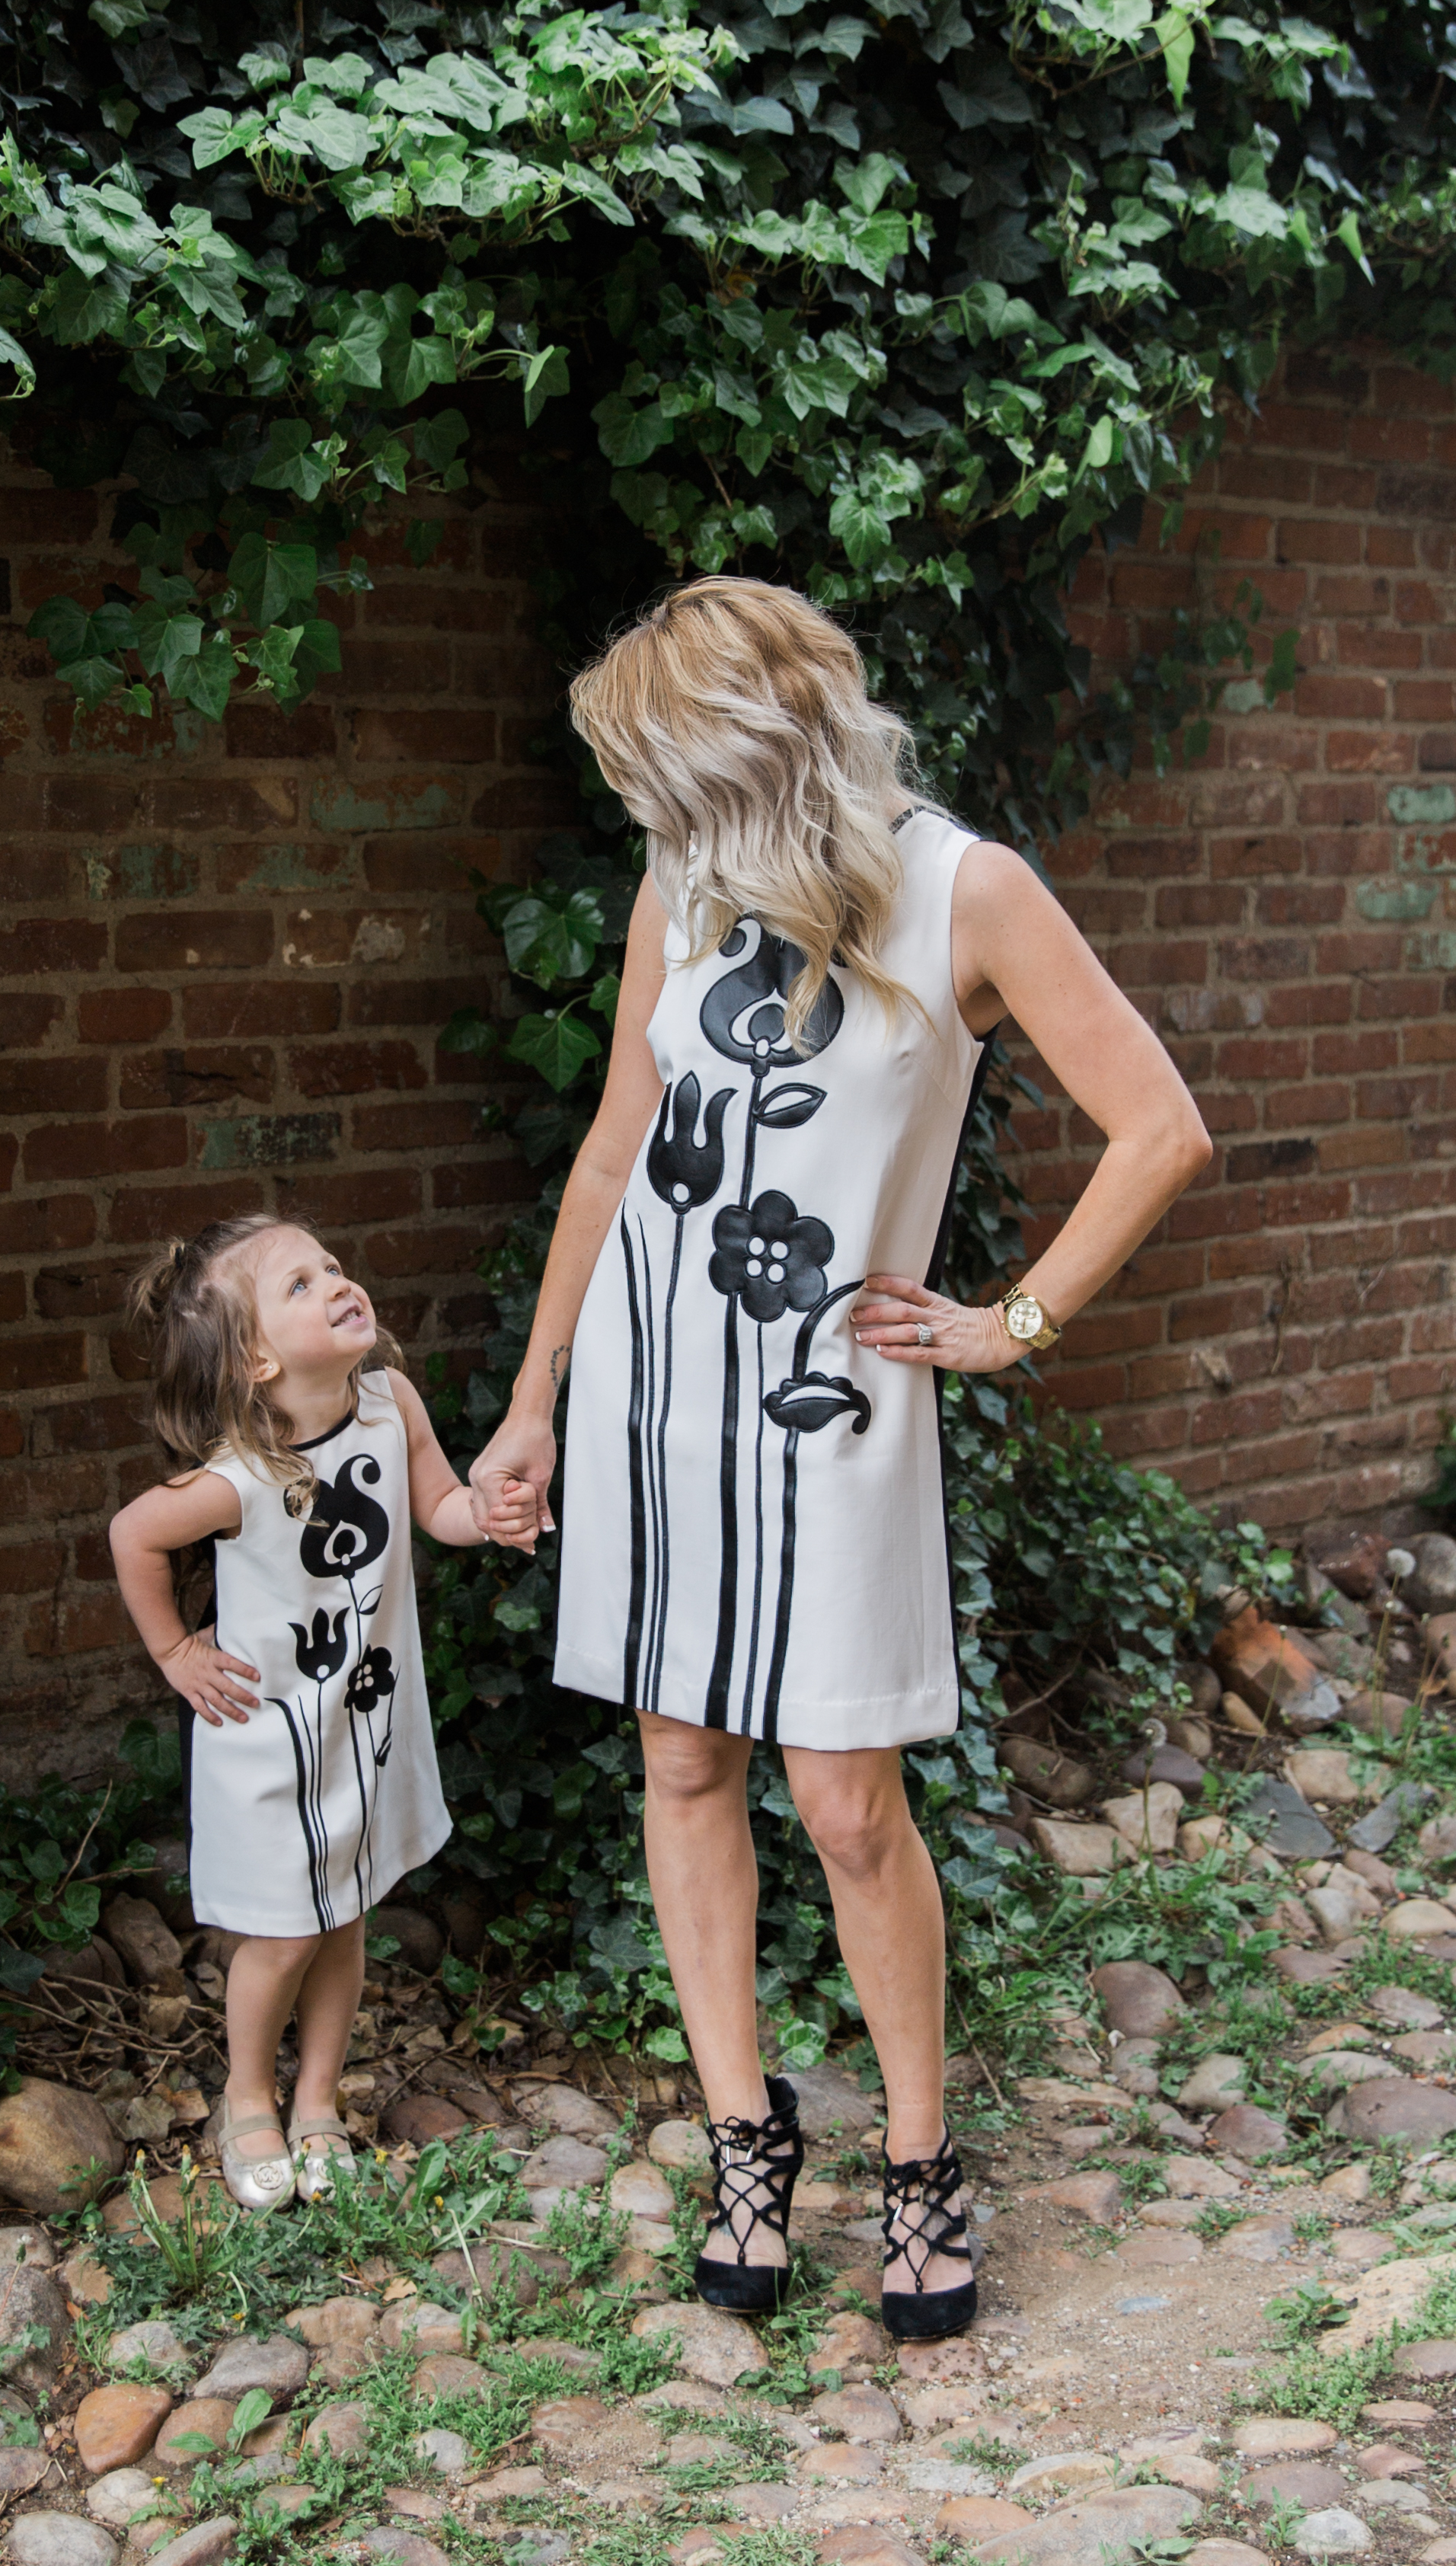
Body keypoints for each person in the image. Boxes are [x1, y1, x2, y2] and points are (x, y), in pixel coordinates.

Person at [468, 577, 1212, 2339]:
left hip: (830, 1404)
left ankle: (924, 2161)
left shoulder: (968, 890)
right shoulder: (683, 882)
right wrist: (532, 1399)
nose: (644, 811)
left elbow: (1161, 1125)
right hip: (659, 1386)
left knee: (847, 1804)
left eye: (663, 769)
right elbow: (609, 1153)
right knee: (680, 1764)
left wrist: (1007, 1324)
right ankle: (747, 2140)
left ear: (748, 747)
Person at [111, 1217, 534, 2213]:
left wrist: (492, 1512)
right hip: (268, 1742)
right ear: (257, 1359)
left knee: (345, 1916)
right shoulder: (240, 1475)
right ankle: (245, 2094)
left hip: (364, 1723)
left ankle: (316, 2101)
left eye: (334, 1266)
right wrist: (175, 1651)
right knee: (281, 1936)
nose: (338, 1282)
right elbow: (134, 1533)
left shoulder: (390, 1404)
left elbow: (440, 1507)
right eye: (301, 1284)